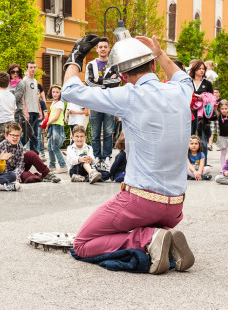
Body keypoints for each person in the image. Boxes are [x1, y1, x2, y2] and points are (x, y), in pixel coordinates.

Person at [61, 34, 195, 274]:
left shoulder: (129, 95)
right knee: (127, 228)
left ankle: (148, 238)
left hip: (141, 201)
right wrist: (159, 51)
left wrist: (75, 57)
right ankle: (162, 239)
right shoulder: (180, 91)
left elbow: (70, 90)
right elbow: (183, 77)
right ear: (153, 64)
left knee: (82, 244)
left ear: (123, 77)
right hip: (175, 205)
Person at [85, 37, 121, 171]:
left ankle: (106, 157)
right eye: (100, 47)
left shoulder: (114, 66)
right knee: (94, 133)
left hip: (109, 103)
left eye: (105, 47)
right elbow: (88, 82)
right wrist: (106, 81)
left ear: (109, 48)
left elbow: (117, 81)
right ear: (97, 49)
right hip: (95, 102)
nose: (103, 49)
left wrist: (99, 81)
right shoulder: (91, 65)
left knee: (108, 132)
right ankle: (96, 157)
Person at [190, 60, 214, 163]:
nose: (201, 71)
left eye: (203, 69)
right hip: (190, 112)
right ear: (194, 69)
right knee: (189, 138)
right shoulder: (188, 82)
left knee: (203, 139)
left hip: (203, 114)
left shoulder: (207, 83)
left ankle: (204, 163)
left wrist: (203, 97)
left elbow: (212, 99)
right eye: (199, 69)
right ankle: (189, 163)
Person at [21, 61, 42, 154]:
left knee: (35, 134)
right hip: (28, 111)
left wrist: (40, 110)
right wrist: (25, 111)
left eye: (34, 67)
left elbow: (36, 97)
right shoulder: (24, 81)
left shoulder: (35, 81)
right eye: (31, 67)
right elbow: (22, 96)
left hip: (36, 111)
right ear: (27, 69)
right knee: (28, 133)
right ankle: (16, 147)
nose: (33, 69)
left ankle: (34, 154)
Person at [45, 85, 67, 174]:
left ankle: (63, 166)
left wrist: (48, 123)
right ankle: (52, 166)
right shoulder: (53, 103)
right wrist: (48, 124)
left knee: (55, 146)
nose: (55, 94)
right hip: (52, 126)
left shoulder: (60, 103)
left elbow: (56, 116)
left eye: (57, 92)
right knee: (49, 147)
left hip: (57, 126)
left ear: (60, 93)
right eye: (53, 92)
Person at [37, 84, 48, 161]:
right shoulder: (30, 103)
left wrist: (46, 122)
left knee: (38, 137)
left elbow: (45, 113)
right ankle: (36, 152)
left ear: (40, 94)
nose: (36, 96)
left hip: (40, 122)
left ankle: (42, 153)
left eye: (37, 94)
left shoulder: (42, 103)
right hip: (33, 122)